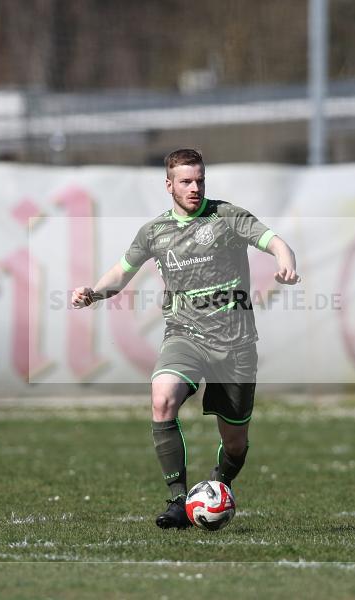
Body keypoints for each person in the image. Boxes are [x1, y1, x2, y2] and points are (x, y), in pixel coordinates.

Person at [71, 148, 299, 529]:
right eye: (186, 182)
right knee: (162, 399)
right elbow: (121, 272)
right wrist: (94, 292)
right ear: (169, 185)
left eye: (200, 180)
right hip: (185, 336)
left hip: (235, 345)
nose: (195, 188)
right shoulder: (154, 232)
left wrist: (285, 259)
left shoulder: (226, 217)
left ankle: (218, 485)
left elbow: (274, 240)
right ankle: (178, 501)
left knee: (237, 443)